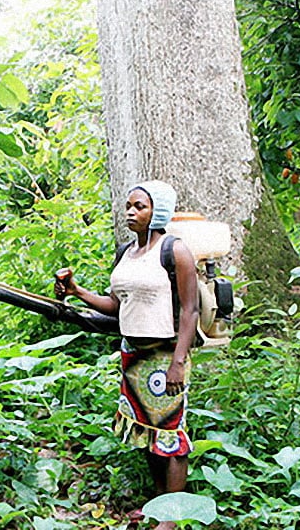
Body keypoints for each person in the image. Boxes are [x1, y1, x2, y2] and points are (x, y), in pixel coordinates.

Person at [54, 180, 198, 529]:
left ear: (157, 212)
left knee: (171, 435)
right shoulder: (126, 252)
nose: (130, 212)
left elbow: (190, 309)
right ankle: (158, 502)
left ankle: (171, 519)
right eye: (128, 206)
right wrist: (76, 291)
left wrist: (178, 362)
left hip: (165, 356)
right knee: (147, 431)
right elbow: (117, 305)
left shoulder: (174, 251)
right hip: (133, 355)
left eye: (139, 207)